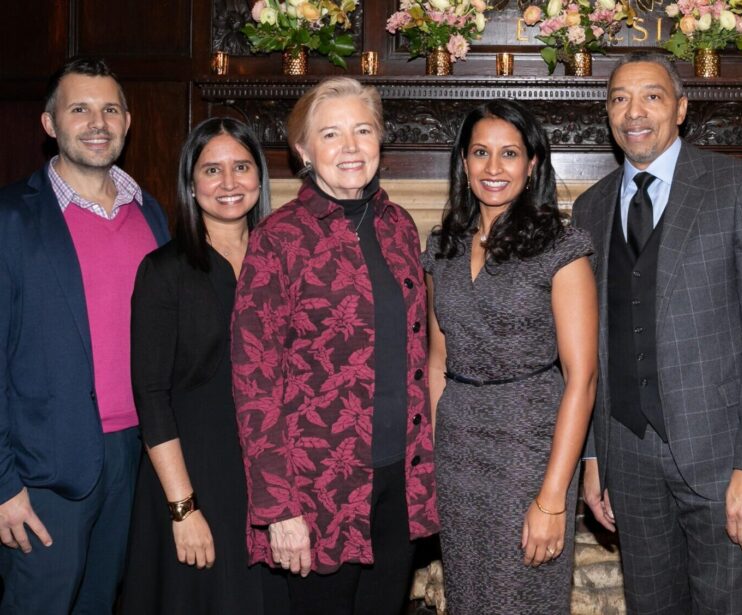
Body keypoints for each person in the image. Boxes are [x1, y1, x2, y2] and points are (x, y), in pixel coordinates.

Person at [573, 52, 742, 614]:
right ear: (608, 113)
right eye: (620, 98)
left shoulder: (738, 187)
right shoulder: (590, 209)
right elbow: (591, 349)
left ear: (681, 107)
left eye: (651, 95)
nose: (634, 112)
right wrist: (595, 456)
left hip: (723, 460)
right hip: (627, 456)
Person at [231, 76, 438, 615]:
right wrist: (279, 509)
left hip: (399, 478)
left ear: (380, 140)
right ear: (303, 149)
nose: (350, 147)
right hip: (317, 487)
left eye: (363, 130)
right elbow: (254, 381)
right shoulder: (278, 238)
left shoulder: (399, 228)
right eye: (331, 134)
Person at [0, 57, 170, 613]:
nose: (97, 122)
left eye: (110, 109)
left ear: (127, 121)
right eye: (80, 109)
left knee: (103, 602)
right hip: (43, 468)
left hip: (136, 457)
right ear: (50, 124)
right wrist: (2, 485)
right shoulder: (11, 218)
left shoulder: (152, 215)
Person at [423, 99, 598, 613]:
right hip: (457, 453)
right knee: (468, 598)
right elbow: (438, 361)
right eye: (481, 153)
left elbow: (582, 379)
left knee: (520, 597)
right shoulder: (443, 246)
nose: (494, 168)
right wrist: (437, 456)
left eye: (509, 154)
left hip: (529, 450)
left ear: (533, 164)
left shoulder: (561, 247)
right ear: (463, 162)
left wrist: (551, 499)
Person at [121, 117, 288, 613]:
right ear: (191, 185)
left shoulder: (281, 261)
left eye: (241, 167)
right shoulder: (164, 271)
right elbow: (151, 397)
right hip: (193, 475)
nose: (229, 182)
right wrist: (183, 508)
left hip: (270, 476)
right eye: (212, 170)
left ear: (259, 178)